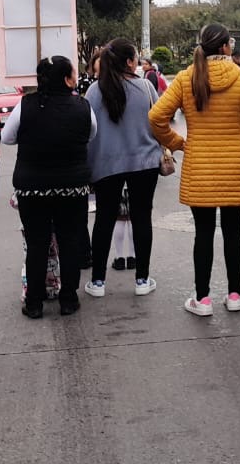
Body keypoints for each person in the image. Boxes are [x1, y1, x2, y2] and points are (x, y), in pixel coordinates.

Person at [150, 23, 240, 316]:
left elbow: (156, 117)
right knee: (233, 231)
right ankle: (235, 295)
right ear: (225, 47)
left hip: (200, 167)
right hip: (236, 167)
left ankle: (202, 299)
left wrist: (177, 143)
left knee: (203, 233)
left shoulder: (187, 78)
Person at [3, 56, 96, 318]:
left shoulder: (27, 104)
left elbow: (8, 137)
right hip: (73, 186)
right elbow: (91, 133)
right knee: (70, 242)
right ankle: (68, 298)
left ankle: (34, 302)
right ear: (67, 79)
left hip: (32, 187)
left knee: (37, 244)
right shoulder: (82, 105)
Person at [83, 38, 162, 299]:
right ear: (129, 62)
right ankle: (142, 279)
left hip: (106, 164)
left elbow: (88, 133)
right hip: (144, 163)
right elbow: (158, 123)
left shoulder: (94, 90)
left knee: (104, 219)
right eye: (136, 57)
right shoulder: (145, 88)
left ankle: (97, 282)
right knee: (142, 217)